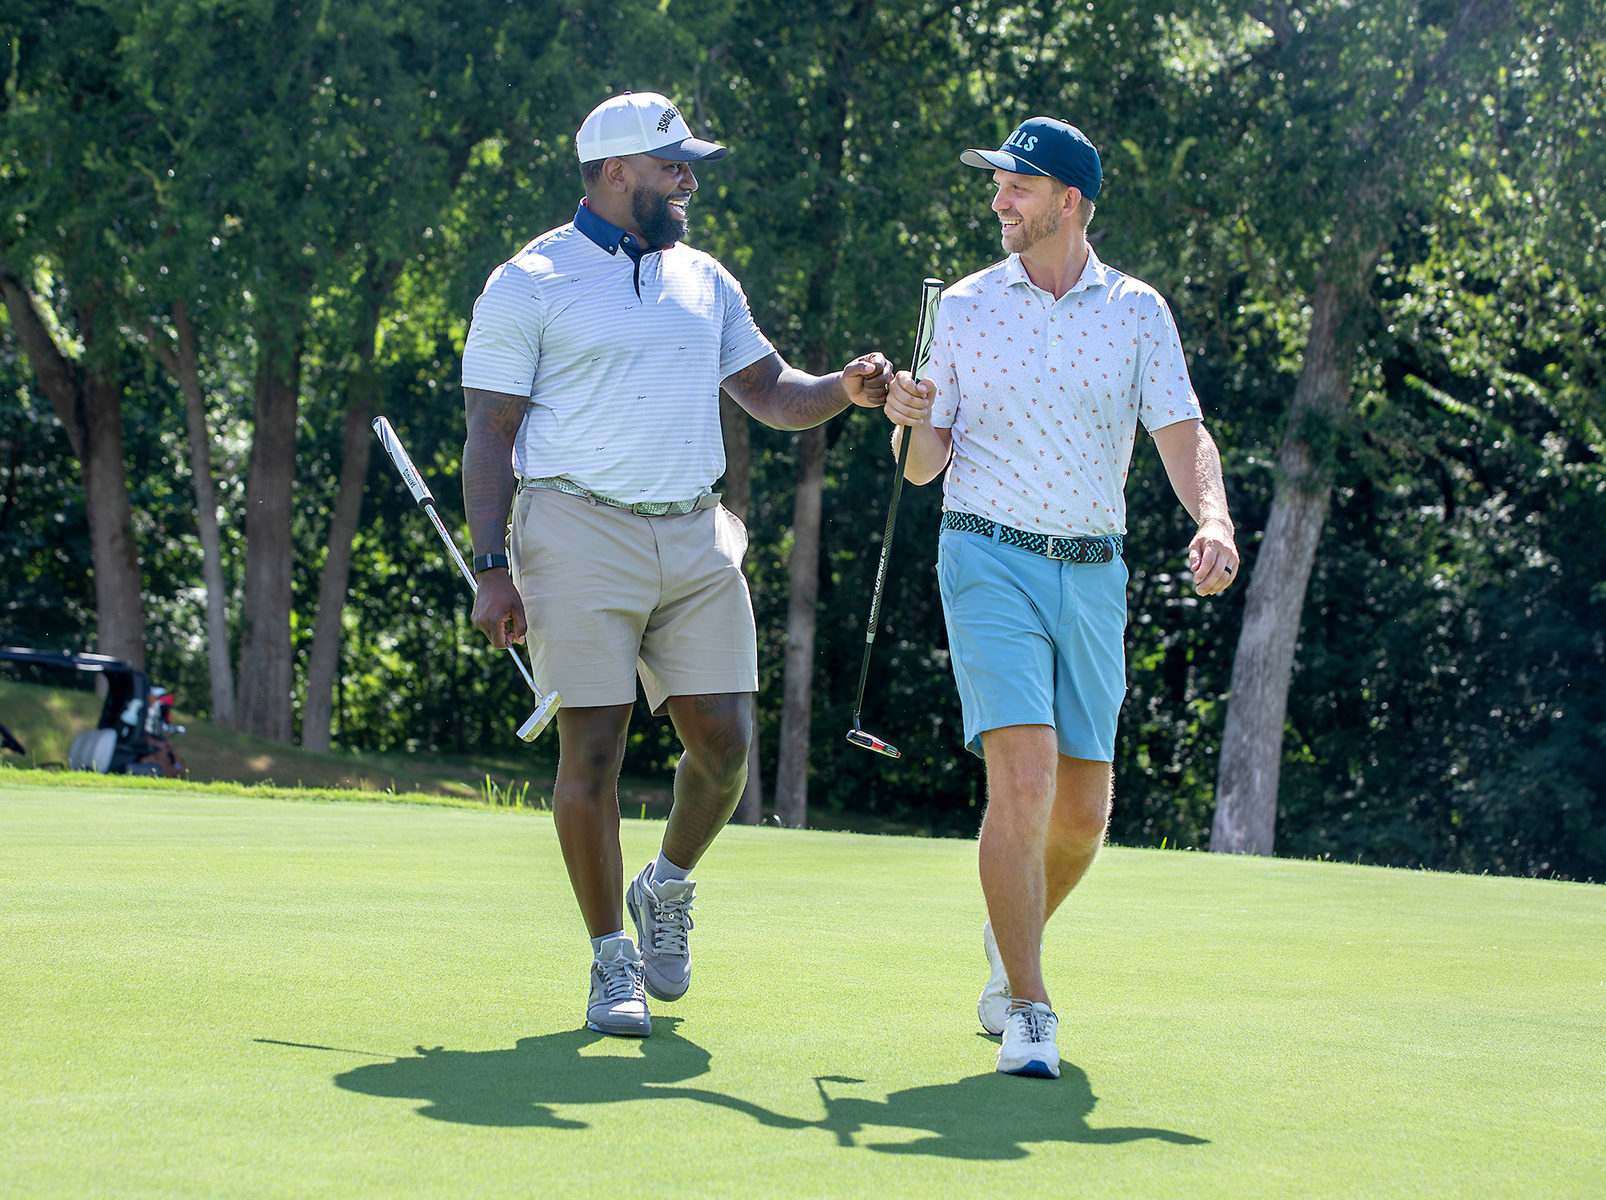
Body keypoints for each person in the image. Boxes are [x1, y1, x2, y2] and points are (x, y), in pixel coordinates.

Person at [459, 91, 894, 1038]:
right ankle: (610, 957)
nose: (689, 180)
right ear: (617, 172)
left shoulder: (705, 278)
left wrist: (845, 390)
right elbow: (490, 432)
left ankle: (666, 884)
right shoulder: (528, 281)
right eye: (672, 166)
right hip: (574, 528)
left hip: (695, 532)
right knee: (594, 752)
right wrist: (493, 567)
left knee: (726, 746)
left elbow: (771, 394)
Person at [883, 117, 1239, 1077]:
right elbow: (922, 469)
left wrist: (1214, 518)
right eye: (998, 184)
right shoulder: (964, 307)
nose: (1000, 200)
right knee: (1026, 778)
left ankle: (1012, 935)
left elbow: (1180, 433)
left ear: (1070, 200)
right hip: (986, 555)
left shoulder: (1138, 312)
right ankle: (1030, 1008)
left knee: (1082, 814)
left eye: (1019, 186)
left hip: (1092, 570)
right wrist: (910, 418)